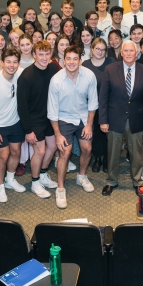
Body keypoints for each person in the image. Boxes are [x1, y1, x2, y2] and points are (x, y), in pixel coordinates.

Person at [99, 40, 143, 195]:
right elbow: (103, 98)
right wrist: (103, 120)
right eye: (126, 51)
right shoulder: (110, 70)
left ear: (137, 53)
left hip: (137, 119)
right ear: (121, 53)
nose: (129, 53)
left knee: (136, 153)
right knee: (113, 152)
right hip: (114, 119)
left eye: (132, 51)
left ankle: (137, 181)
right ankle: (111, 181)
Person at [48, 46, 99, 208]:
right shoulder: (56, 80)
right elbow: (52, 110)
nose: (71, 62)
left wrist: (89, 125)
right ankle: (60, 188)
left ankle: (81, 176)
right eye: (68, 59)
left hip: (83, 117)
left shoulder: (89, 75)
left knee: (87, 149)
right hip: (63, 118)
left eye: (74, 59)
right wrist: (57, 134)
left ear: (80, 61)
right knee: (65, 151)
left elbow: (92, 103)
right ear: (63, 61)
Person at [17, 41, 61, 199]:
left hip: (50, 116)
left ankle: (42, 174)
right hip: (34, 119)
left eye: (47, 54)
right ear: (34, 55)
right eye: (40, 54)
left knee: (53, 146)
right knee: (40, 151)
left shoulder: (54, 68)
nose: (44, 57)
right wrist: (28, 130)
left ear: (51, 54)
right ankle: (35, 182)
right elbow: (21, 106)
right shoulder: (26, 76)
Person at [0, 48, 26, 203]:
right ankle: (0, 186)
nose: (12, 65)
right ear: (2, 63)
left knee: (16, 152)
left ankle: (10, 179)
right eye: (8, 61)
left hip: (15, 122)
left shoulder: (20, 74)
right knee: (3, 156)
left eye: (15, 62)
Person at [83, 38, 115, 173]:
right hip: (91, 105)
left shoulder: (111, 63)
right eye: (97, 49)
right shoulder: (85, 64)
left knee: (110, 135)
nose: (100, 52)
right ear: (92, 49)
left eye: (103, 49)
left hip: (109, 104)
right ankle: (97, 158)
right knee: (95, 134)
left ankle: (108, 160)